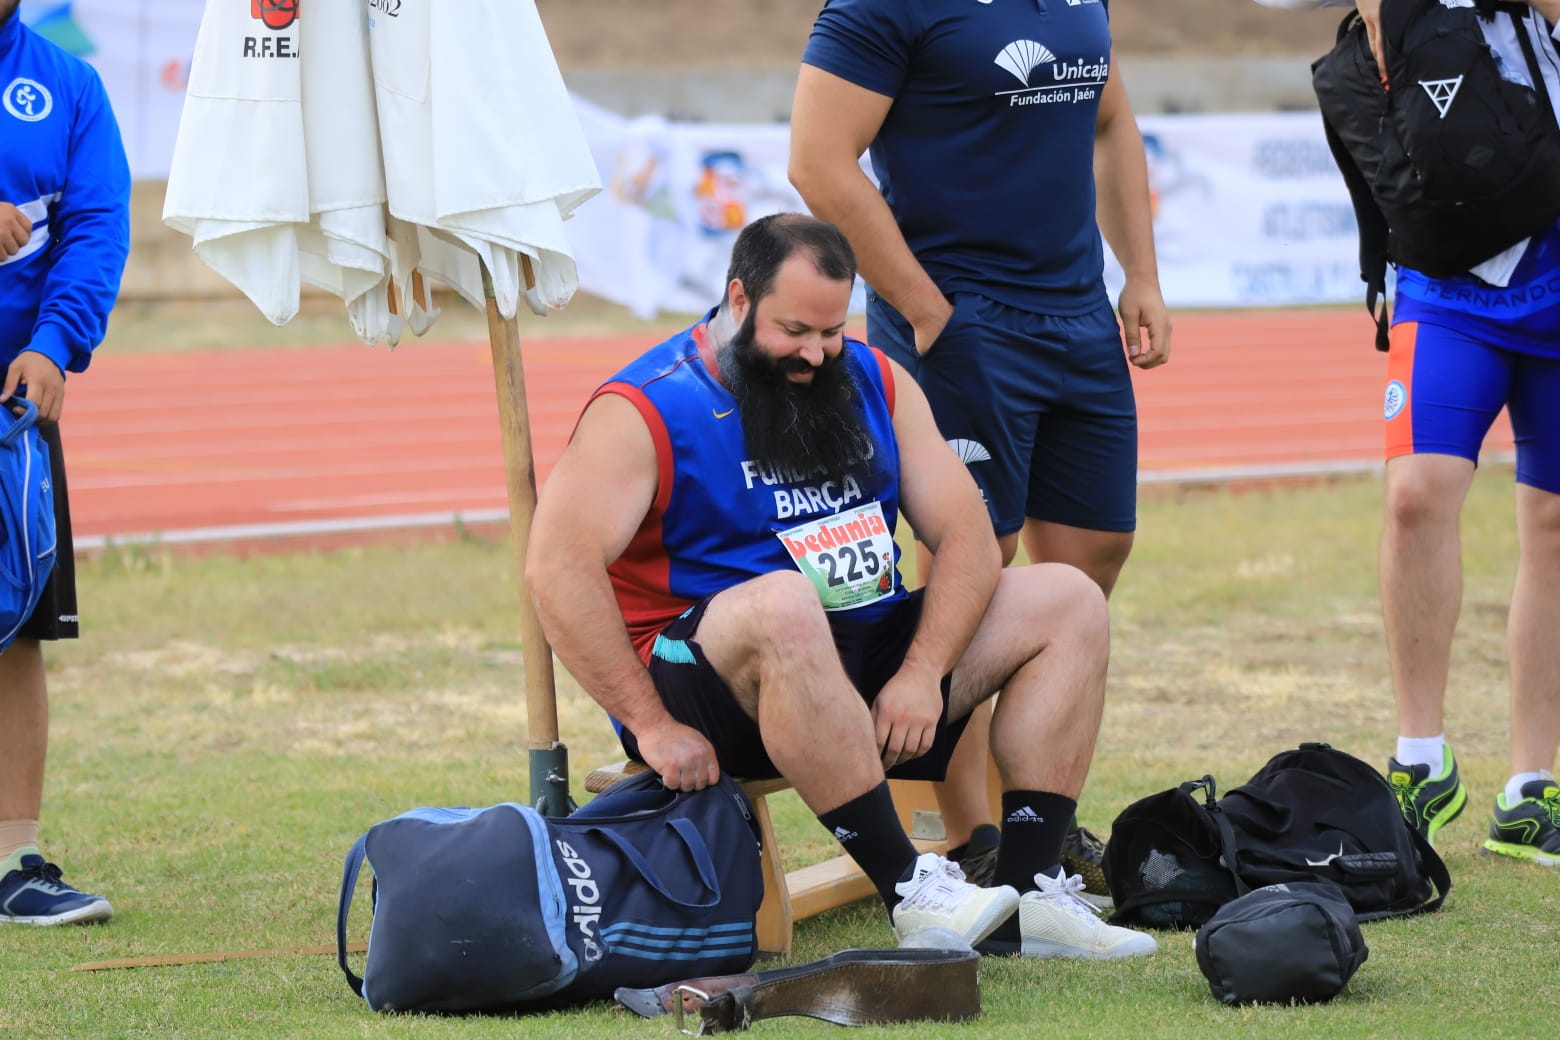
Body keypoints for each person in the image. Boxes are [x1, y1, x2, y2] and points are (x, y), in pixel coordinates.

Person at [528, 213, 1158, 958]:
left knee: (1068, 598)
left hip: (861, 652)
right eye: (795, 329)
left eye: (831, 331)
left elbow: (966, 534)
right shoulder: (647, 408)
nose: (816, 353)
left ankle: (1028, 896)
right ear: (738, 298)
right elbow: (556, 569)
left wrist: (923, 672)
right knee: (783, 600)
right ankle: (910, 891)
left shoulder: (871, 377)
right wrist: (652, 725)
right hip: (712, 682)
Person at [787, 0, 1172, 903]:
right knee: (972, 564)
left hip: (1077, 319)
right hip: (963, 321)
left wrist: (1140, 275)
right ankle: (958, 835)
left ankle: (1033, 816)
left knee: (1082, 578)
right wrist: (926, 309)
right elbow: (816, 161)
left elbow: (1110, 120)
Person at [1257, 0, 1560, 865]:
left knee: (1553, 524)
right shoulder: (1365, 46)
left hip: (1556, 263)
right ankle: (1422, 760)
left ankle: (1532, 787)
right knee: (1416, 496)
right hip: (1445, 285)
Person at [0, 0, 129, 923]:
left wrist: (54, 343)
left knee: (14, 634)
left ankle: (15, 861)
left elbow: (96, 222)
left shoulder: (70, 84)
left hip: (12, 407)